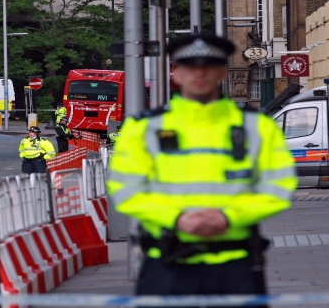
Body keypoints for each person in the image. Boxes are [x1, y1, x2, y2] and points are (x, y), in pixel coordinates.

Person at [106, 34, 297, 308]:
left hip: (235, 264)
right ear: (176, 72)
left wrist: (228, 217)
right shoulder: (144, 128)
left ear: (221, 71)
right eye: (189, 65)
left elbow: (279, 186)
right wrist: (177, 219)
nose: (199, 72)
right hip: (167, 261)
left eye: (208, 65)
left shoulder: (257, 126)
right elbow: (125, 189)